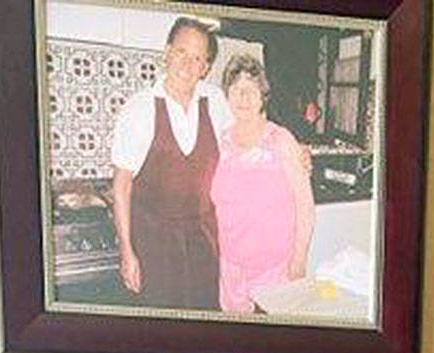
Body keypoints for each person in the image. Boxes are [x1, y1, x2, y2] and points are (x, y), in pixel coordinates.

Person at [110, 18, 227, 309]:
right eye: (182, 52)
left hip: (204, 240)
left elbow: (248, 139)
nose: (188, 64)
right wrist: (127, 251)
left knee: (204, 323)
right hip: (154, 243)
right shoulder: (139, 108)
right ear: (166, 53)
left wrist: (289, 147)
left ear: (206, 68)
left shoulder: (215, 101)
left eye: (198, 58)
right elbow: (122, 186)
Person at [209, 53, 315, 313]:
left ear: (262, 95)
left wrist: (299, 259)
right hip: (231, 268)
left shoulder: (280, 139)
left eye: (251, 89)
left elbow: (305, 204)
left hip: (275, 269)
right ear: (227, 95)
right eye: (236, 89)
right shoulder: (220, 141)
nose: (243, 97)